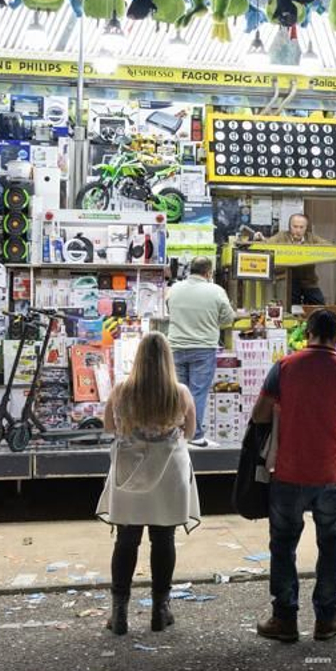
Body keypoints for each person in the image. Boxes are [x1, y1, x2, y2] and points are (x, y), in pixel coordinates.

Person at [251, 309, 336, 644]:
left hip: (289, 471)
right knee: (330, 545)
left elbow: (260, 414)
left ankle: (285, 618)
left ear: (307, 333)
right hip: (332, 472)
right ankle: (327, 618)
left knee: (283, 546)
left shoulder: (284, 367)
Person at [96, 333, 201, 636]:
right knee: (163, 539)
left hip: (129, 474)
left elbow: (108, 427)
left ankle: (119, 613)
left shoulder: (121, 391)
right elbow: (191, 431)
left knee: (126, 541)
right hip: (168, 475)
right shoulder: (179, 393)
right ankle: (160, 609)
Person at [165, 257, 236, 447]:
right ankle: (194, 436)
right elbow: (228, 318)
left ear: (190, 270)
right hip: (203, 348)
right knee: (198, 392)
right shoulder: (216, 291)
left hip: (176, 346)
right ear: (209, 273)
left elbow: (169, 311)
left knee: (178, 392)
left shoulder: (175, 289)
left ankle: (176, 434)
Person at [261, 212, 331, 306]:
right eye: (295, 226)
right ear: (289, 226)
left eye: (301, 227)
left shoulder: (311, 237)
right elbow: (266, 245)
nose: (298, 230)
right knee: (290, 306)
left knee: (319, 305)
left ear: (306, 228)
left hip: (308, 281)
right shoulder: (281, 236)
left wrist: (307, 250)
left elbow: (329, 246)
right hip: (285, 281)